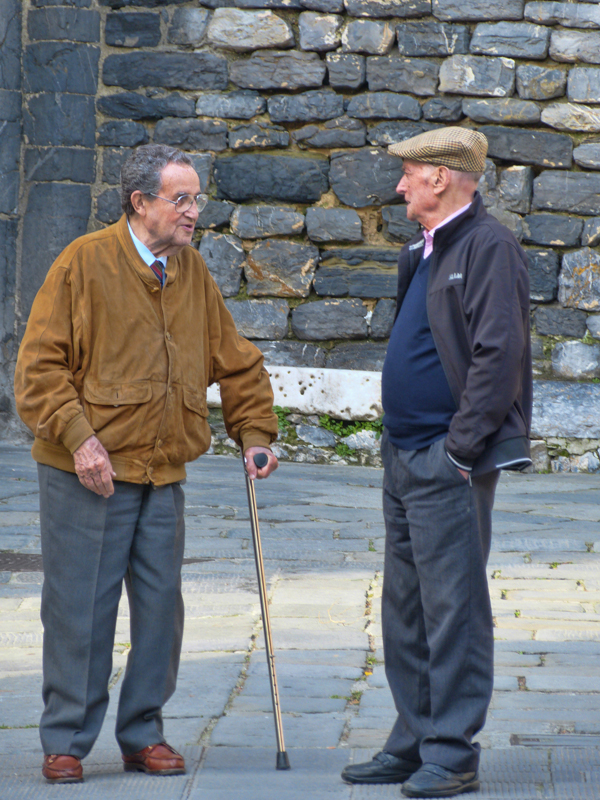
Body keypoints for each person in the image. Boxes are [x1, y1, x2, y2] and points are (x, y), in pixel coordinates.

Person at [14, 144, 278, 784]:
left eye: (197, 200)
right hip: (87, 472)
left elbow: (236, 361)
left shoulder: (191, 273)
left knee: (162, 607)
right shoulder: (84, 263)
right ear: (141, 203)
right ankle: (67, 740)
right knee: (79, 607)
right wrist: (80, 439)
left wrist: (254, 432)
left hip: (162, 469)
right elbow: (38, 370)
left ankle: (142, 733)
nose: (194, 213)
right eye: (181, 199)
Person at [341, 128, 532, 798]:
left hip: (445, 459)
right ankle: (414, 739)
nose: (399, 186)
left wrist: (460, 448)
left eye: (409, 173)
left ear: (443, 178)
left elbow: (498, 355)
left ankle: (451, 753)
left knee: (453, 609)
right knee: (406, 607)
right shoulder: (419, 251)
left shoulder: (489, 246)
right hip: (403, 452)